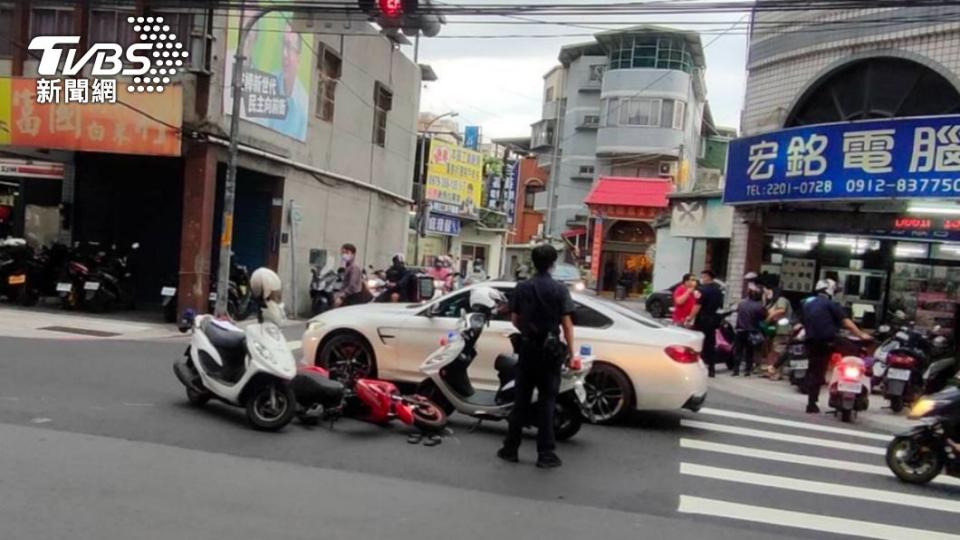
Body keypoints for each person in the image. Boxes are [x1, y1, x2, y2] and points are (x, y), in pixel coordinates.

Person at [499, 244, 575, 469]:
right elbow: (567, 325)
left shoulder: (522, 287)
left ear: (533, 262)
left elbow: (514, 319)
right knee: (547, 402)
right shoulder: (560, 290)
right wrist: (572, 352)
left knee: (521, 401)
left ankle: (510, 449)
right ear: (553, 264)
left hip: (528, 350)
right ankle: (546, 454)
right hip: (550, 353)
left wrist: (527, 329)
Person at [799, 278, 871, 413]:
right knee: (856, 352)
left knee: (816, 372)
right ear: (830, 290)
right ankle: (855, 388)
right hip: (828, 341)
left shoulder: (807, 304)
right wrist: (861, 335)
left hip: (811, 342)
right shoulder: (830, 304)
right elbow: (847, 323)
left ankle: (812, 403)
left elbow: (801, 323)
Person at [687, 270, 725, 377]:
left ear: (708, 277)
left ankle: (699, 367)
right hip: (713, 319)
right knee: (711, 344)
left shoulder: (702, 290)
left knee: (699, 343)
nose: (702, 279)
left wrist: (690, 317)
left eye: (703, 276)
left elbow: (697, 306)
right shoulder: (718, 290)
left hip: (702, 319)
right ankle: (711, 368)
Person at [733, 286, 767, 376]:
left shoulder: (742, 303)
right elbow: (764, 316)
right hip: (752, 331)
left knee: (738, 351)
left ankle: (736, 370)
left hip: (740, 330)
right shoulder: (759, 306)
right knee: (749, 352)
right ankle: (747, 370)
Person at [763, 283, 793, 379]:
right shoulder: (774, 301)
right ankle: (772, 371)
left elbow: (781, 310)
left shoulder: (781, 300)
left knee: (779, 351)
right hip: (777, 330)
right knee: (774, 351)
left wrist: (769, 318)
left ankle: (776, 373)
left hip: (783, 330)